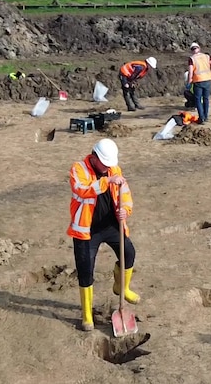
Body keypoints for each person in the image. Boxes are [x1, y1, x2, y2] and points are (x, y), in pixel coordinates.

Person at [67, 138, 139, 331]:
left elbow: (125, 194)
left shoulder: (114, 169)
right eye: (104, 164)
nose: (108, 168)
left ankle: (122, 288)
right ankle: (87, 315)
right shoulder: (78, 169)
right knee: (86, 270)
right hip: (87, 230)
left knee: (129, 254)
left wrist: (126, 211)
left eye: (110, 165)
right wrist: (107, 182)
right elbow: (82, 191)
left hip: (111, 225)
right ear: (94, 157)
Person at [187, 42, 211, 124]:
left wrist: (189, 82)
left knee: (198, 100)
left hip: (198, 81)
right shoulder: (206, 56)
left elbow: (190, 72)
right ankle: (206, 116)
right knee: (206, 99)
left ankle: (201, 118)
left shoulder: (192, 59)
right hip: (207, 80)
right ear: (199, 48)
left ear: (191, 50)